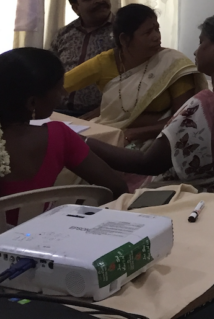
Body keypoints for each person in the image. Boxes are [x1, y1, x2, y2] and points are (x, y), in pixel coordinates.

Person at [86, 12, 214, 198]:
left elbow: (147, 164)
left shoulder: (204, 106)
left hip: (175, 198)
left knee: (87, 178)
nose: (196, 51)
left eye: (201, 41)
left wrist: (82, 142)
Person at [0, 48, 128, 224]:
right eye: (58, 89)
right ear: (32, 102)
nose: (63, 95)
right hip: (41, 241)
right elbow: (117, 187)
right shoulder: (58, 136)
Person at [63, 4, 206, 147]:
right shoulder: (104, 62)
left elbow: (183, 118)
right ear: (124, 39)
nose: (156, 36)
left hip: (158, 140)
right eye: (148, 32)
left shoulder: (173, 63)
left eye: (157, 29)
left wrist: (133, 134)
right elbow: (59, 85)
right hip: (109, 131)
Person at [49, 0, 116, 117]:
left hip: (104, 115)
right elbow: (49, 72)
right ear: (76, 8)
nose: (100, 0)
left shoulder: (123, 31)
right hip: (59, 113)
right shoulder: (64, 34)